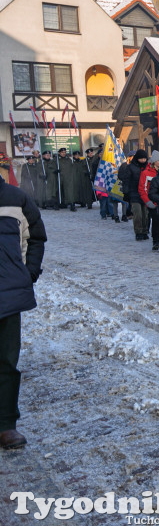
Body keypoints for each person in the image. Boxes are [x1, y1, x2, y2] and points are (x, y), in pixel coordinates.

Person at [0, 173, 46, 450]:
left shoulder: (15, 198)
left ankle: (5, 424)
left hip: (6, 294)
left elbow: (37, 237)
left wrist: (27, 274)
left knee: (6, 362)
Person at [139, 150, 159, 251]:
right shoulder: (146, 173)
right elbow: (142, 189)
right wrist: (148, 201)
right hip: (152, 202)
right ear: (154, 161)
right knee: (156, 221)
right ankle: (156, 241)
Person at [124, 150, 149, 240]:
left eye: (144, 158)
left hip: (146, 194)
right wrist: (126, 193)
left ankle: (145, 231)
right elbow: (126, 180)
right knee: (137, 214)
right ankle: (138, 232)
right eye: (141, 158)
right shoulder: (131, 167)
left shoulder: (148, 167)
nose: (143, 160)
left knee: (145, 214)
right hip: (134, 193)